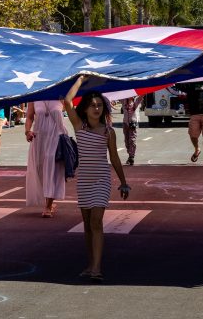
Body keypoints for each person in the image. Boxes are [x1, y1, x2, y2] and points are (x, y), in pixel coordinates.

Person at [64, 76, 130, 282]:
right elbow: (67, 101)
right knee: (86, 225)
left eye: (100, 105)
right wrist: (80, 80)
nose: (96, 108)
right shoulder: (79, 126)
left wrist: (123, 181)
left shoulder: (108, 132)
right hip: (84, 181)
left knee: (96, 222)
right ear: (84, 109)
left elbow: (115, 158)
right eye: (92, 105)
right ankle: (90, 263)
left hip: (101, 180)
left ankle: (97, 268)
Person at [25, 100, 68, 218]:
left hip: (56, 137)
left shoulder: (61, 95)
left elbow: (71, 111)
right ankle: (48, 200)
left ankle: (48, 205)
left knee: (51, 169)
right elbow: (29, 117)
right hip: (39, 137)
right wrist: (27, 131)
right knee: (40, 171)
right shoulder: (35, 97)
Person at [121, 96, 143, 166]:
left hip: (132, 123)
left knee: (132, 139)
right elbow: (118, 95)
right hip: (125, 123)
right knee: (126, 141)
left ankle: (131, 156)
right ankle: (130, 154)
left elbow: (142, 95)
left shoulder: (136, 101)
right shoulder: (123, 100)